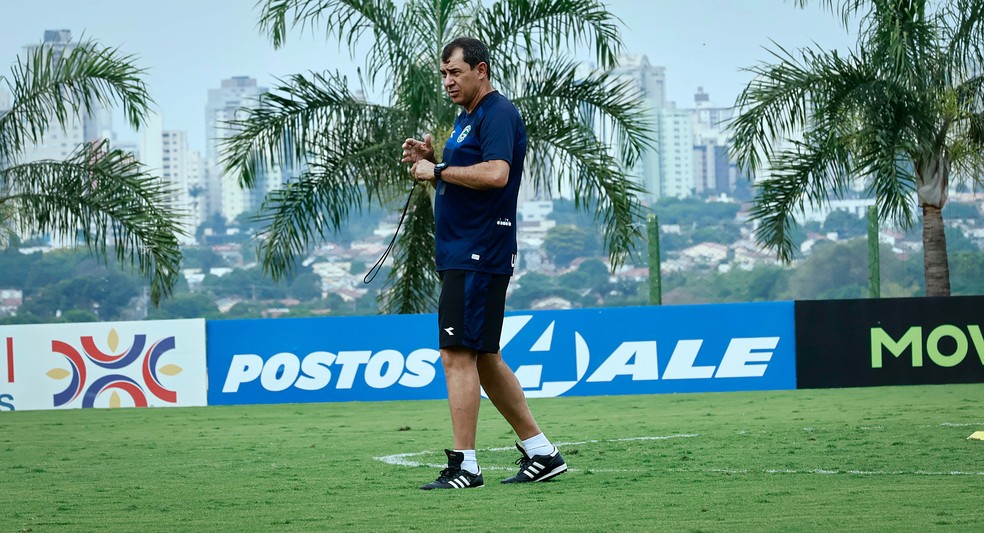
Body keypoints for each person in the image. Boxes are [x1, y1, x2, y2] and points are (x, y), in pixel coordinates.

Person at [402, 37, 567, 490]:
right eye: (443, 74)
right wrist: (431, 162)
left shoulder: (498, 113)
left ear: (481, 70)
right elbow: (461, 182)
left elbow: (496, 174)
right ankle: (542, 453)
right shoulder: (465, 119)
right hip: (464, 250)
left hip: (479, 251)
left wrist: (436, 171)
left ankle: (465, 466)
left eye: (455, 72)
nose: (448, 81)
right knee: (485, 357)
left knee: (456, 355)